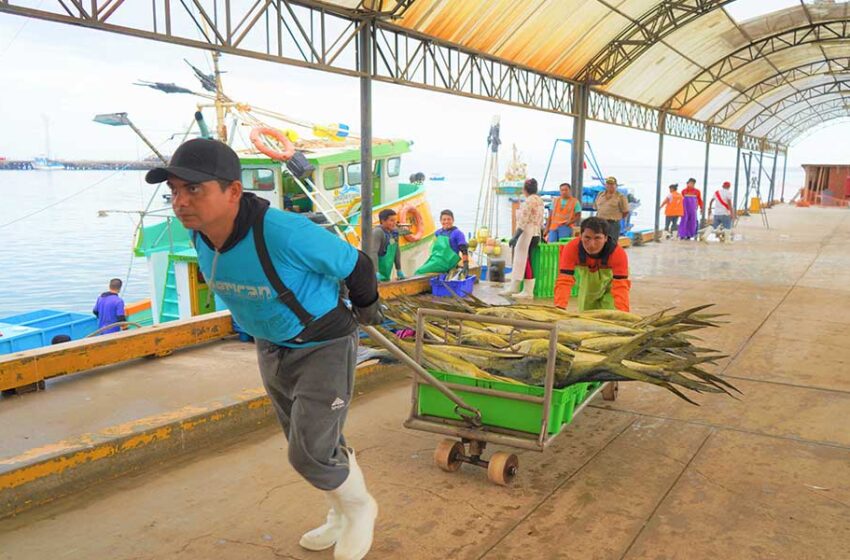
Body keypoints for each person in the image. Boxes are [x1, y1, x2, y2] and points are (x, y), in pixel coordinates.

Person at [145, 138, 383, 560]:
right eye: (174, 191)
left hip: (323, 342)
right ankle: (339, 513)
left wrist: (366, 309)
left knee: (308, 453)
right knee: (310, 441)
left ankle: (361, 508)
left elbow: (358, 265)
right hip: (270, 345)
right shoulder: (201, 235)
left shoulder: (284, 232)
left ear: (233, 191)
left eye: (194, 189)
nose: (180, 202)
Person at [554, 216, 630, 312]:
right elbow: (564, 281)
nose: (592, 245)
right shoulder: (571, 248)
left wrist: (623, 314)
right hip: (589, 280)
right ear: (580, 236)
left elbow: (621, 287)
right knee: (586, 313)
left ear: (606, 238)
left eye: (597, 238)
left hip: (613, 280)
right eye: (587, 238)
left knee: (612, 314)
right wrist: (559, 308)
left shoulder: (617, 253)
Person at [502, 178, 544, 298]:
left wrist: (515, 237)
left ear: (525, 189)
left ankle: (527, 291)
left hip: (527, 233)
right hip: (536, 233)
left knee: (524, 260)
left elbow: (523, 221)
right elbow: (541, 220)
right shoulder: (539, 200)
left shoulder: (528, 202)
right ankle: (515, 287)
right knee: (523, 260)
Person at [415, 209, 469, 275]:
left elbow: (464, 250)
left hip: (448, 262)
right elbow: (434, 249)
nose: (446, 221)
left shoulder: (458, 233)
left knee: (420, 272)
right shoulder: (437, 233)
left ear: (453, 220)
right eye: (444, 219)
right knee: (420, 268)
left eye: (449, 219)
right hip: (436, 260)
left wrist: (466, 265)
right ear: (440, 221)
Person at [369, 209, 404, 282]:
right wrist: (375, 272)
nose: (394, 223)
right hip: (373, 272)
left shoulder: (394, 233)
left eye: (395, 220)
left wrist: (399, 269)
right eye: (391, 220)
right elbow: (373, 253)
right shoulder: (378, 232)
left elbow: (396, 250)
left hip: (386, 274)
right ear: (383, 221)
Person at [594, 176, 629, 241]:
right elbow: (596, 207)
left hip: (612, 224)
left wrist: (616, 218)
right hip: (600, 223)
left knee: (611, 243)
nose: (610, 186)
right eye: (608, 184)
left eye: (612, 184)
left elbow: (625, 211)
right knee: (599, 241)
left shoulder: (620, 197)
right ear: (605, 185)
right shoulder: (600, 194)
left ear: (616, 186)